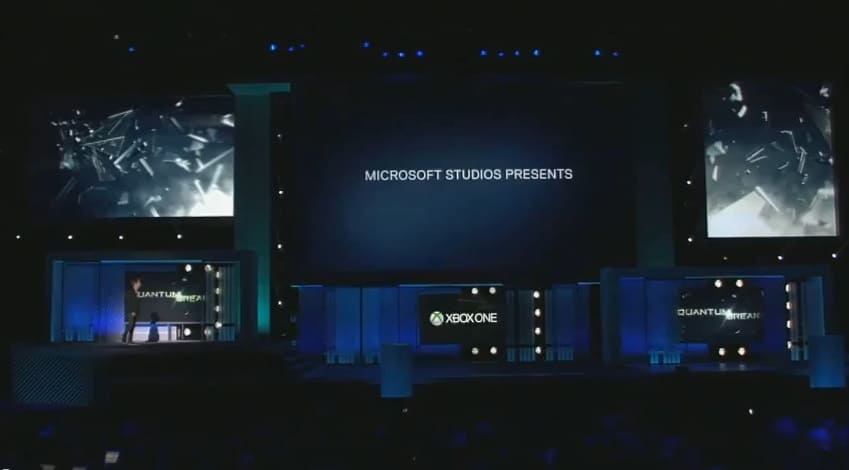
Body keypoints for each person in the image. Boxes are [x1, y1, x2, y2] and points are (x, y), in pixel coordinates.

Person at [122, 277, 142, 343]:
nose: (140, 284)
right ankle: (124, 336)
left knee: (133, 326)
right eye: (139, 282)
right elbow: (129, 302)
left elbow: (136, 303)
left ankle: (130, 339)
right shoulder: (130, 292)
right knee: (130, 325)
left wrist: (136, 311)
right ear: (135, 283)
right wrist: (132, 311)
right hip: (131, 311)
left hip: (135, 312)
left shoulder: (137, 292)